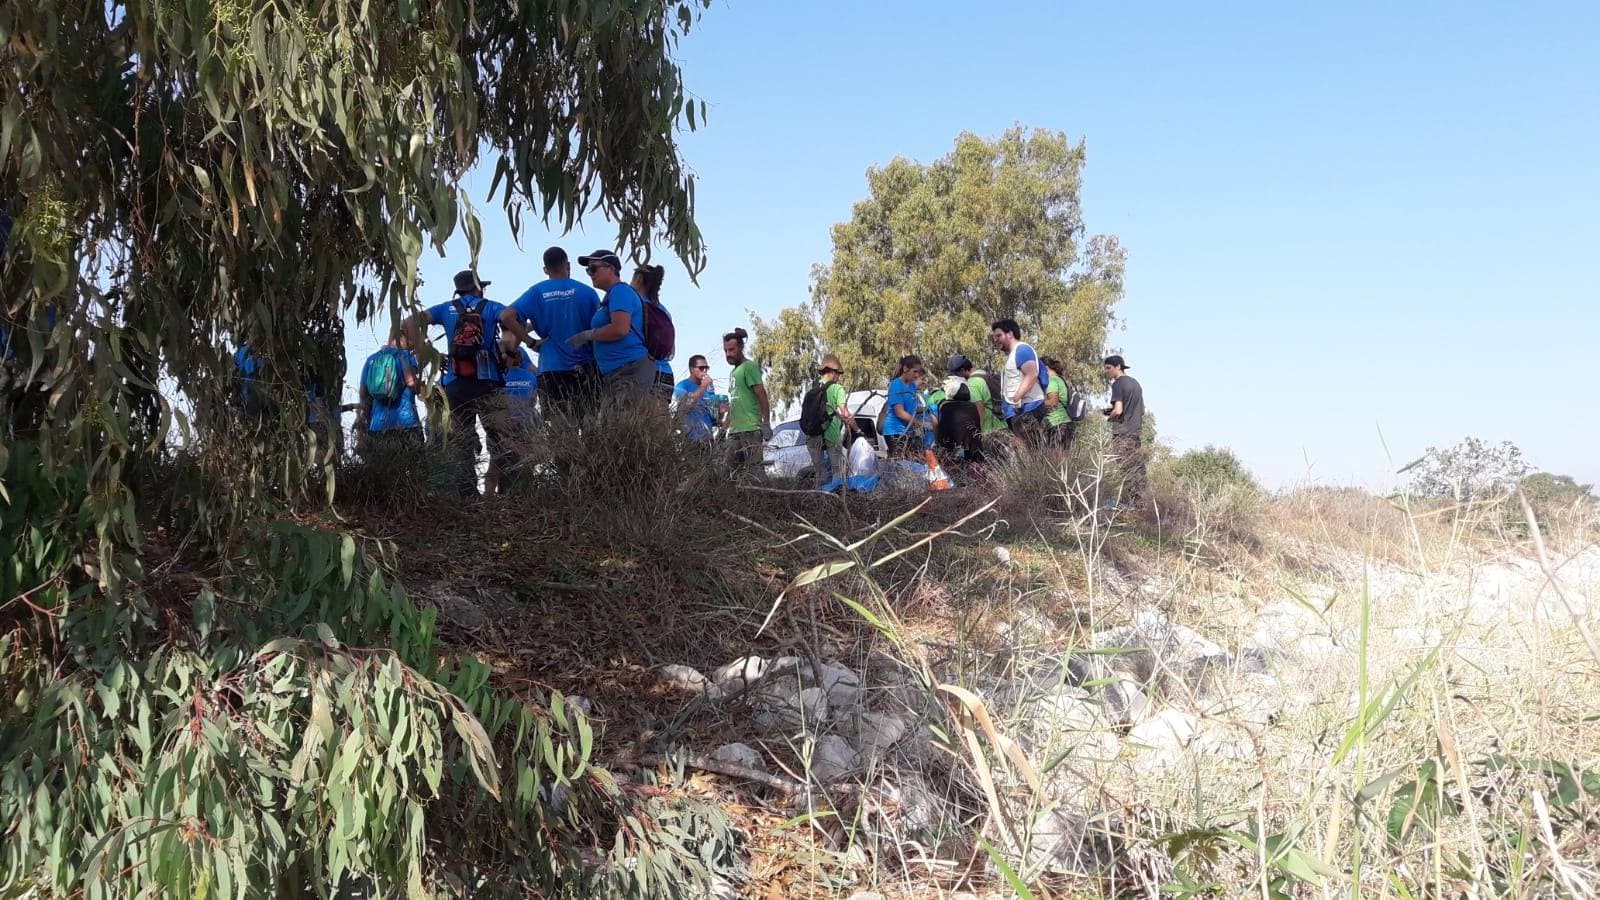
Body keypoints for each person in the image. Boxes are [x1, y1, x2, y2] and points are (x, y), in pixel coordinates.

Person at [405, 269, 530, 497]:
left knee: (462, 441)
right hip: (488, 383)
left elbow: (409, 322)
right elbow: (511, 319)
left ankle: (467, 497)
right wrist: (515, 348)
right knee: (504, 438)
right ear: (477, 287)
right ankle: (511, 495)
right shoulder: (490, 306)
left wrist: (426, 350)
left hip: (455, 384)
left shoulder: (446, 308)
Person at [502, 247, 599, 424]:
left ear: (545, 269)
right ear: (568, 265)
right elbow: (599, 326)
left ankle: (563, 452)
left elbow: (506, 316)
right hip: (584, 365)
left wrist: (531, 342)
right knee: (589, 422)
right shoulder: (587, 292)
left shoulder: (536, 292)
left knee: (559, 426)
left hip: (551, 366)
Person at [568, 249, 653, 405]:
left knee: (620, 423)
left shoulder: (620, 292)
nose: (590, 274)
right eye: (588, 270)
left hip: (629, 370)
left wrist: (588, 335)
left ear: (611, 269)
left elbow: (620, 329)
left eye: (593, 268)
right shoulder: (611, 296)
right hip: (617, 372)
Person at [357, 332, 423, 454]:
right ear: (403, 339)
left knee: (384, 471)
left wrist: (365, 420)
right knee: (416, 469)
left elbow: (362, 393)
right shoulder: (406, 356)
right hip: (407, 424)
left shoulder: (372, 359)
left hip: (377, 427)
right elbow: (412, 384)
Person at [485, 345, 537, 494]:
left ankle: (488, 499)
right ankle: (528, 495)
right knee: (527, 462)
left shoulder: (497, 377)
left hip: (501, 426)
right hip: (524, 425)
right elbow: (533, 402)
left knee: (495, 463)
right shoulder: (531, 377)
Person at [806, 354, 859, 491]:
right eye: (838, 374)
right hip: (831, 434)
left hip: (812, 434)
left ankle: (818, 499)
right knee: (837, 471)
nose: (838, 377)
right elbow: (845, 413)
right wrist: (857, 430)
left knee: (819, 473)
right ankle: (835, 500)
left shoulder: (812, 388)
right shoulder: (837, 388)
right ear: (832, 372)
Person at [990, 318, 1048, 441]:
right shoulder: (1014, 354)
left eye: (999, 335)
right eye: (994, 337)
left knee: (1032, 453)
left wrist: (1016, 398)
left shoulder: (1021, 350)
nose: (996, 340)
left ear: (1010, 334)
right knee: (1029, 453)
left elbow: (1032, 374)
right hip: (1021, 411)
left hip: (1028, 409)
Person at [723, 328, 769, 476]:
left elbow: (762, 395)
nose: (728, 354)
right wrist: (724, 428)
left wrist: (766, 422)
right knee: (728, 473)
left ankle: (763, 497)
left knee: (755, 472)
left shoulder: (749, 367)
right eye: (726, 351)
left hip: (750, 429)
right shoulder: (733, 373)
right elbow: (734, 402)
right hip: (735, 431)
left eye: (732, 349)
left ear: (741, 348)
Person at [629, 264, 675, 409]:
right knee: (659, 426)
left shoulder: (632, 305)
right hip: (665, 373)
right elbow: (671, 351)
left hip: (641, 372)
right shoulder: (663, 310)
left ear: (638, 279)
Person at [1102, 354, 1146, 505]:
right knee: (1137, 468)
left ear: (1118, 367)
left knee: (1124, 468)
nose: (1106, 371)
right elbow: (1138, 409)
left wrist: (1110, 417)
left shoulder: (1118, 384)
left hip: (1122, 432)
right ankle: (1139, 503)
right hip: (1135, 432)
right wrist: (1109, 410)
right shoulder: (1136, 384)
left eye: (1108, 368)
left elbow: (1119, 410)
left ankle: (1127, 504)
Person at [882, 355, 933, 459]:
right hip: (894, 432)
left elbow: (912, 409)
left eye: (918, 372)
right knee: (901, 463)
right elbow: (900, 412)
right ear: (905, 368)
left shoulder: (911, 386)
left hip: (908, 432)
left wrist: (928, 409)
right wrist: (921, 424)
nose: (917, 375)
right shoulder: (896, 385)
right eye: (915, 371)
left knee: (911, 462)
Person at [672, 354, 719, 443]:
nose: (705, 370)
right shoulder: (682, 386)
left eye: (706, 368)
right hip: (691, 440)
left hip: (708, 439)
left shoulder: (708, 388)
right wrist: (703, 386)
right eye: (701, 368)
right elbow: (684, 406)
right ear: (692, 369)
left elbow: (712, 410)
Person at [1039, 356, 1076, 451]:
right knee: (1065, 462)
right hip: (1065, 424)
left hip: (1058, 425)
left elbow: (1053, 401)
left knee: (1056, 461)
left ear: (1045, 368)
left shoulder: (1051, 380)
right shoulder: (1059, 379)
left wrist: (1035, 404)